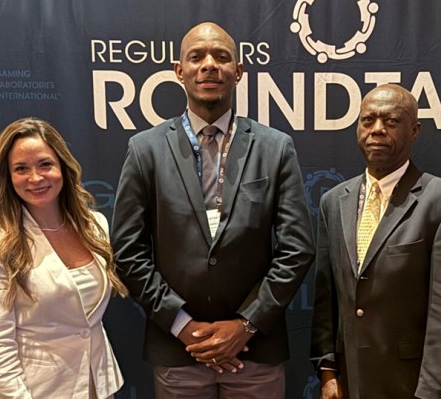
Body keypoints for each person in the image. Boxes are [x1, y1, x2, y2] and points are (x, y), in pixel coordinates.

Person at [111, 21, 314, 398]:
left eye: (221, 57)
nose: (209, 65)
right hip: (178, 349)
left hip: (254, 349)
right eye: (197, 57)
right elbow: (128, 252)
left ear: (238, 71)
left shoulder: (275, 147)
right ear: (179, 71)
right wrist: (182, 325)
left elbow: (297, 249)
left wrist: (247, 325)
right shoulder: (145, 150)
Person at [310, 84, 441, 399]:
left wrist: (432, 393)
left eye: (391, 121)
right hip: (349, 382)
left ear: (414, 131)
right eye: (367, 120)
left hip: (411, 385)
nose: (377, 129)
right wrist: (327, 370)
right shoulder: (334, 201)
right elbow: (326, 298)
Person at [0, 117, 128, 398]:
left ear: (63, 166)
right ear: (8, 177)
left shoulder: (95, 225)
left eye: (45, 164)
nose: (36, 178)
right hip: (34, 391)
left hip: (98, 384)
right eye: (21, 169)